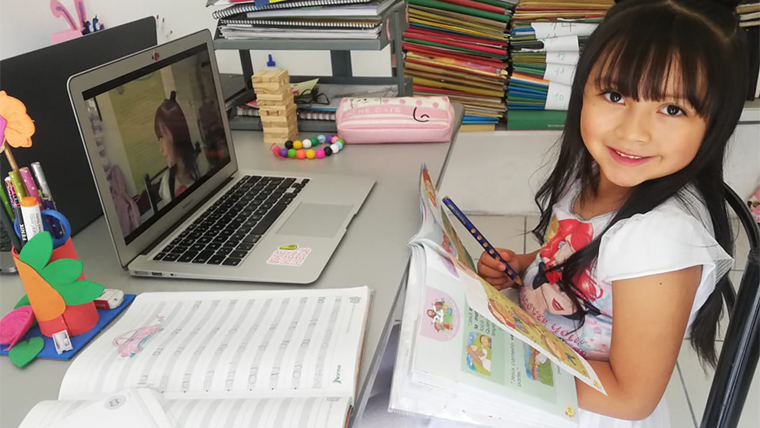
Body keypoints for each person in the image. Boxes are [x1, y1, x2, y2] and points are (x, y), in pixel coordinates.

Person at [477, 0, 745, 426]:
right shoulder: (589, 175)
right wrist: (524, 265)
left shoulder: (658, 239)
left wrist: (502, 365)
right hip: (536, 358)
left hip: (579, 407)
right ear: (582, 89)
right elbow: (569, 254)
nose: (632, 132)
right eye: (615, 95)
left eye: (672, 109)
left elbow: (629, 398)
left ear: (713, 126)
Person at [154, 91, 200, 202]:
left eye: (162, 137)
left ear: (174, 132)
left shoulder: (201, 165)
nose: (161, 150)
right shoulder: (167, 182)